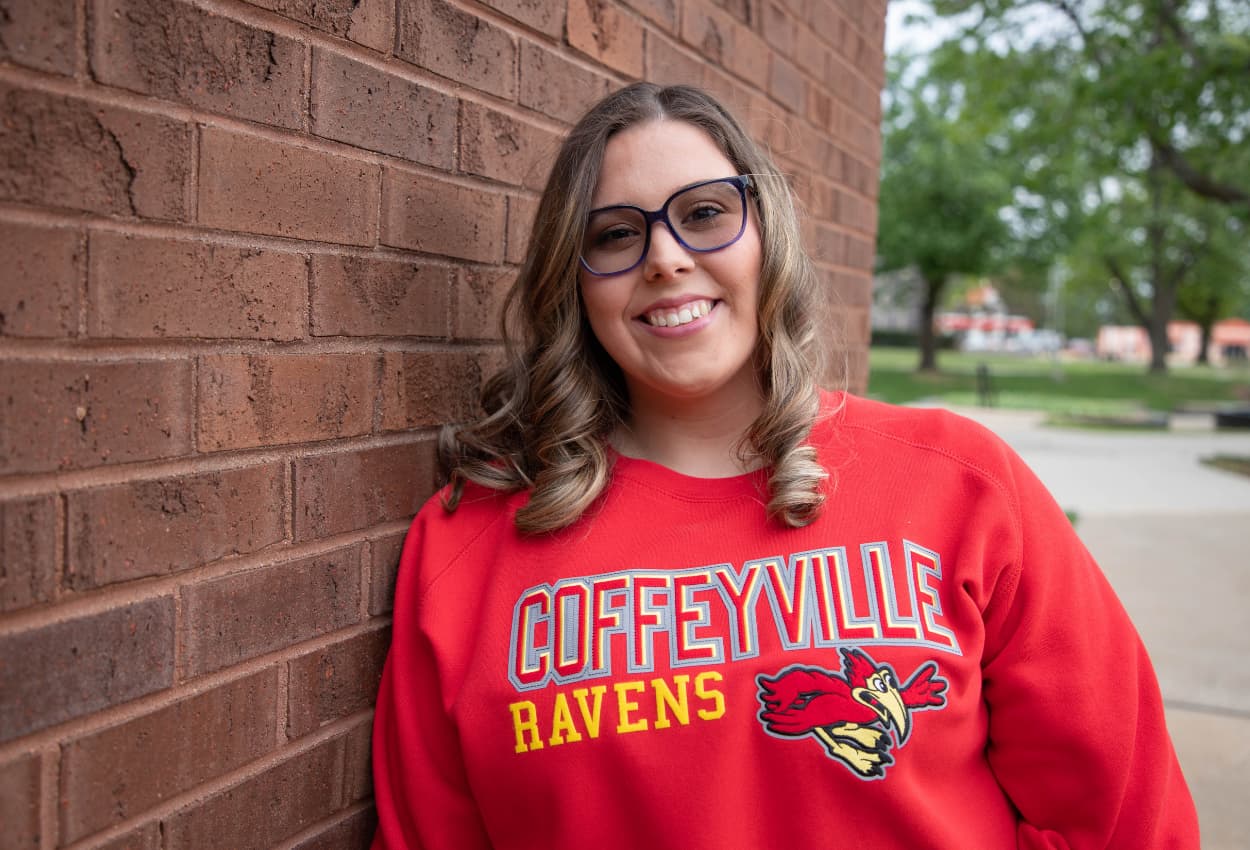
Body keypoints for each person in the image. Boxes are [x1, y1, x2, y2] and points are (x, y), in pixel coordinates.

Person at [370, 82, 1198, 849]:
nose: (665, 257)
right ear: (573, 281)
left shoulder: (960, 484)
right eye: (615, 234)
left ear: (769, 234)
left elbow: (1125, 815)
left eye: (703, 213)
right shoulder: (466, 548)